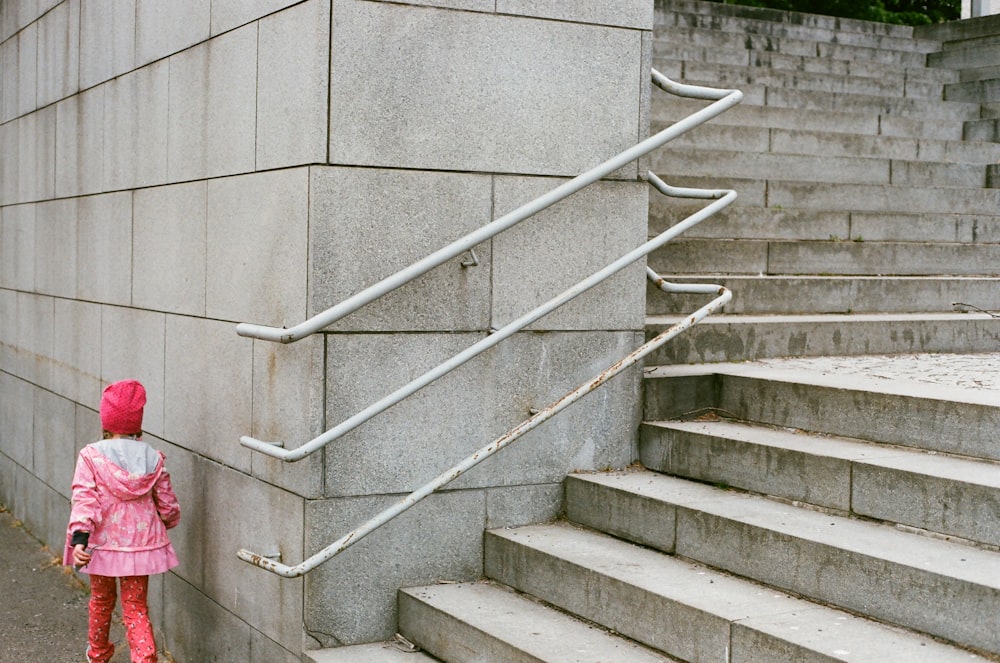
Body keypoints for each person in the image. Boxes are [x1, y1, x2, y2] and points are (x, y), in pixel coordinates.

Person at [64, 379, 180, 663]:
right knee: (136, 607)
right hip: (139, 547)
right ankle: (144, 659)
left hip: (100, 546)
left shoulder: (91, 456)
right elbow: (167, 502)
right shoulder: (153, 458)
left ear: (107, 419)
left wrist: (80, 537)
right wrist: (167, 521)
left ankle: (98, 653)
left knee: (102, 601)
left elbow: (84, 498)